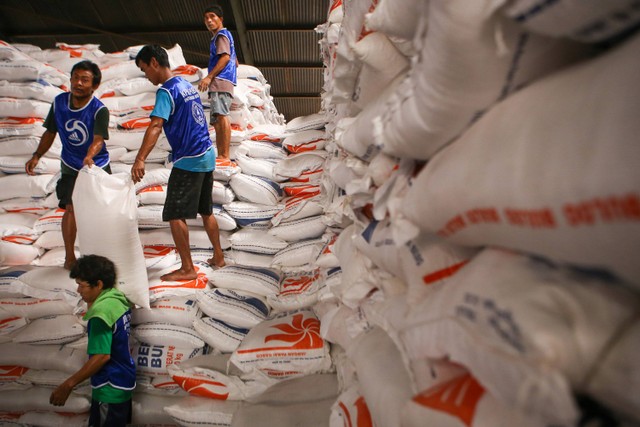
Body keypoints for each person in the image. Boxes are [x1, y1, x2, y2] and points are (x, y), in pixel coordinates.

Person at [132, 44, 226, 281]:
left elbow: (155, 126)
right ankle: (219, 256)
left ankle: (187, 268)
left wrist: (140, 158)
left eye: (145, 69)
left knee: (175, 213)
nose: (146, 75)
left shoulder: (166, 91)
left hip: (189, 159)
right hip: (206, 154)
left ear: (154, 62)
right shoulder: (186, 85)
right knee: (206, 211)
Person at [25, 60, 111, 270]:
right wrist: (37, 155)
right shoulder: (59, 103)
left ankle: (102, 254)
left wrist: (90, 156)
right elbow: (50, 132)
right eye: (76, 78)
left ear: (94, 86)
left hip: (97, 165)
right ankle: (70, 257)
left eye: (85, 80)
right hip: (70, 164)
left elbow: (99, 139)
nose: (79, 83)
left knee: (101, 211)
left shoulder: (99, 110)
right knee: (70, 208)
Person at [50, 255, 135, 427]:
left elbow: (102, 356)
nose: (79, 291)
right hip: (124, 381)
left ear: (99, 284)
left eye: (82, 285)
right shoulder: (116, 299)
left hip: (109, 387)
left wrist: (68, 385)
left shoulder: (100, 315)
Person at [198, 4, 238, 160]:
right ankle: (221, 154)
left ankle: (224, 155)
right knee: (216, 118)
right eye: (206, 18)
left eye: (212, 17)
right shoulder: (222, 36)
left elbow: (226, 57)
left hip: (221, 80)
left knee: (221, 116)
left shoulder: (221, 35)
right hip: (222, 80)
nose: (209, 20)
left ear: (220, 19)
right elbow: (233, 59)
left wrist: (209, 77)